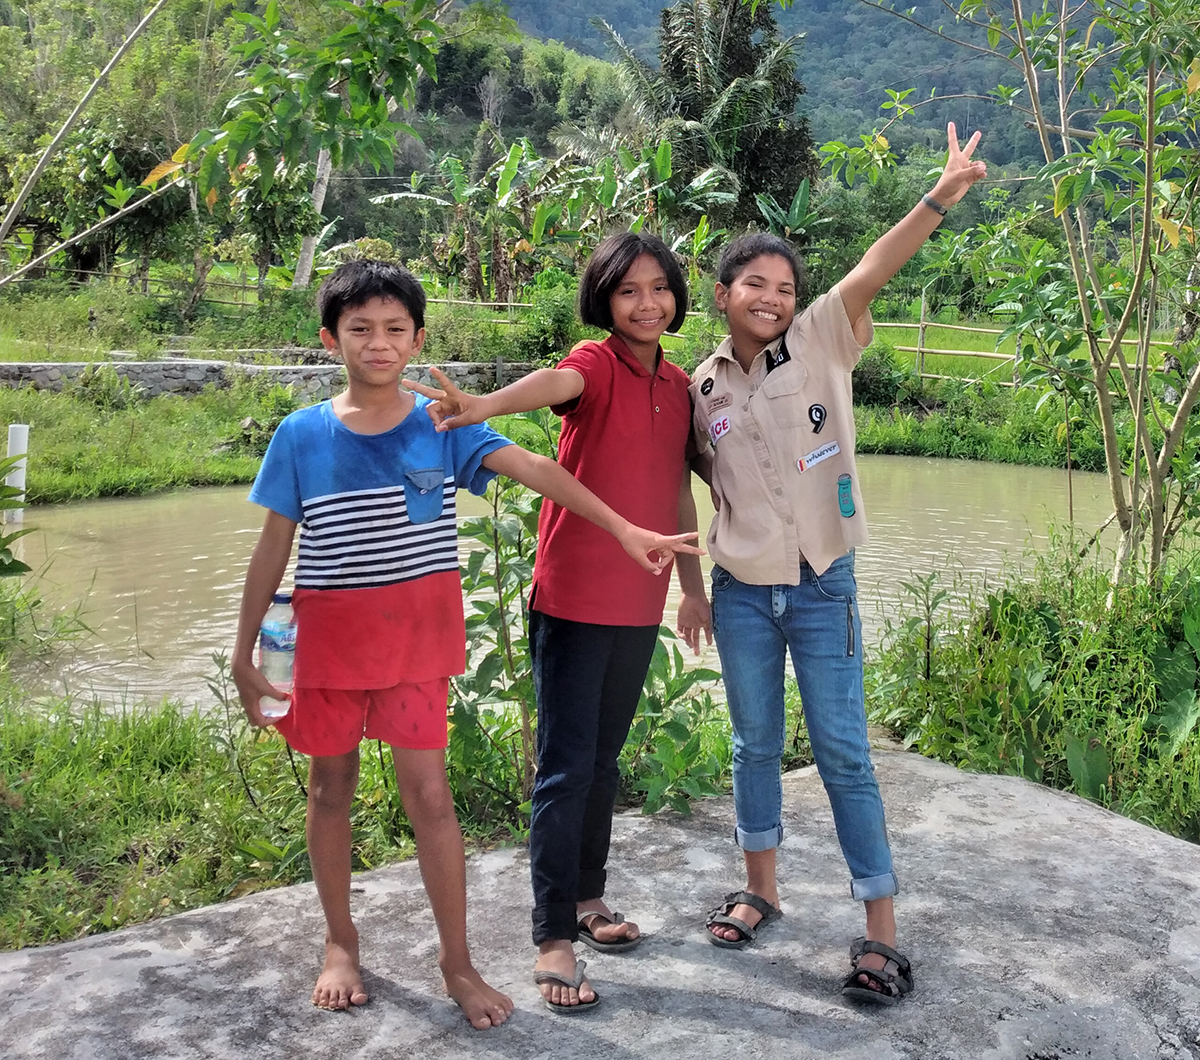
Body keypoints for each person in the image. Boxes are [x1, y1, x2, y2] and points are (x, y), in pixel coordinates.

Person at [231, 259, 699, 1026]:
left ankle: (458, 962)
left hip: (417, 653)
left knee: (433, 800)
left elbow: (539, 468)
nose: (378, 345)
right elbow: (271, 550)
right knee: (330, 791)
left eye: (394, 331)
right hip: (326, 652)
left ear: (418, 340)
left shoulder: (440, 426)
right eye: (360, 331)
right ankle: (340, 943)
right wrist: (244, 653)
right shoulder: (299, 436)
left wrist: (622, 527)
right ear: (330, 340)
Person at [691, 123, 986, 1004]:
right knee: (752, 744)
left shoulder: (822, 338)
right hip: (741, 591)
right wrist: (683, 588)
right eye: (755, 283)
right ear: (722, 293)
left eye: (784, 286)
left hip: (824, 585)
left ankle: (880, 934)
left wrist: (941, 193)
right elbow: (682, 488)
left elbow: (872, 267)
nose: (773, 297)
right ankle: (762, 891)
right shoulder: (698, 387)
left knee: (846, 756)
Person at [406, 232, 712, 1013]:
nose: (647, 304)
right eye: (628, 292)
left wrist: (691, 587)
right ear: (605, 302)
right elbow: (552, 384)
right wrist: (481, 406)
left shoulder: (679, 385)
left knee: (603, 763)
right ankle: (551, 936)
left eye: (658, 289)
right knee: (565, 767)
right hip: (574, 595)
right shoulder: (596, 364)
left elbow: (680, 496)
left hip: (640, 600)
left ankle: (586, 900)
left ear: (676, 297)